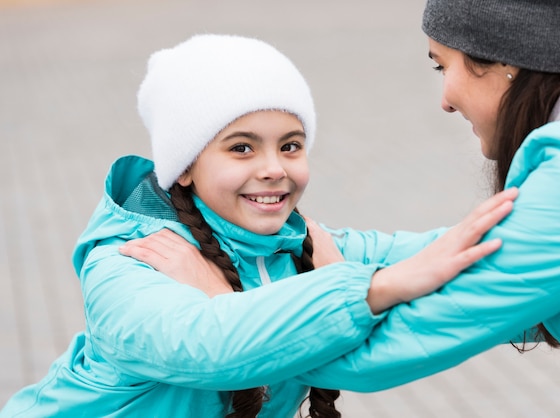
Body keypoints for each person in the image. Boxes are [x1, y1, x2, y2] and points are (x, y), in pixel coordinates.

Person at [128, 0, 560, 403]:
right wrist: (355, 273)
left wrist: (231, 305)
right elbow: (462, 253)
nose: (445, 100)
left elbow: (377, 355)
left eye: (443, 65)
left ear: (507, 62)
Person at [0, 34, 516, 418]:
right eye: (242, 147)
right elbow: (206, 346)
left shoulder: (304, 247)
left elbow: (447, 256)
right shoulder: (130, 262)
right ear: (183, 166)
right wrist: (369, 288)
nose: (274, 167)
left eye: (290, 145)